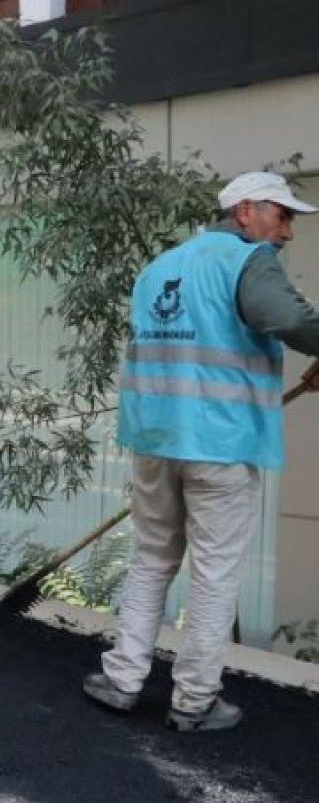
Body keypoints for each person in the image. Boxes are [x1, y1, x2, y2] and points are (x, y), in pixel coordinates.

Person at [82, 171, 319, 732]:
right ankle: (193, 701)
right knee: (214, 572)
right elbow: (286, 318)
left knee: (152, 558)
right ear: (244, 211)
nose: (287, 230)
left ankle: (121, 679)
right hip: (219, 443)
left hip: (156, 439)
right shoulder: (248, 259)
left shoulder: (160, 267)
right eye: (281, 215)